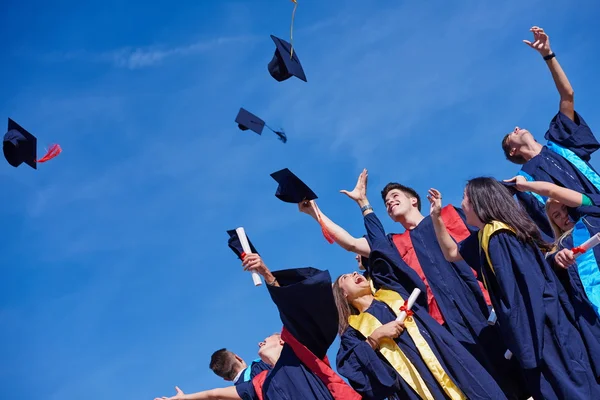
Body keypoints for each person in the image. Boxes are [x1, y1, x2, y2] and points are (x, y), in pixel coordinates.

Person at [299, 170, 523, 398]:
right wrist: (319, 211)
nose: (390, 201)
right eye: (386, 203)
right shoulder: (394, 244)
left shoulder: (449, 214)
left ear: (413, 199)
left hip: (484, 305)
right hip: (444, 326)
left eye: (395, 196)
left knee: (522, 365)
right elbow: (352, 244)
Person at [432, 177, 600, 399]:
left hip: (542, 331)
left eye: (464, 197)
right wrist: (436, 218)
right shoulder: (485, 236)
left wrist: (525, 341)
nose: (461, 203)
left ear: (479, 201)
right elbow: (451, 253)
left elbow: (526, 291)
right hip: (534, 335)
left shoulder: (500, 235)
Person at [155, 253, 360, 400]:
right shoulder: (259, 383)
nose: (260, 341)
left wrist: (266, 274)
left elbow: (291, 310)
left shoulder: (299, 356)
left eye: (268, 338)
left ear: (283, 341)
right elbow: (214, 394)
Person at [501, 26, 600, 238]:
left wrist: (548, 54)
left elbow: (568, 95)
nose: (517, 127)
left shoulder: (559, 142)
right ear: (512, 151)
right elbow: (545, 226)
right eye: (512, 133)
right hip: (584, 237)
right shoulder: (524, 182)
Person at [154, 334, 284, 400]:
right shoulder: (262, 366)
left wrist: (185, 398)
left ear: (226, 379)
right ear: (238, 358)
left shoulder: (236, 393)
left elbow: (213, 395)